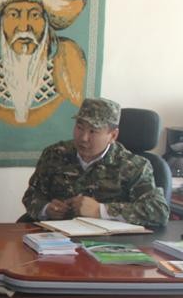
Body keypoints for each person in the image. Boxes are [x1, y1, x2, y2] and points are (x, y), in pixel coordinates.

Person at [21, 97, 170, 227]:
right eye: (80, 127)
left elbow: (159, 211)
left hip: (109, 243)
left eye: (93, 131)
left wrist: (100, 211)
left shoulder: (134, 166)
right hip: (56, 240)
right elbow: (32, 196)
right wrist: (47, 209)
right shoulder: (55, 154)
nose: (83, 138)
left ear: (113, 135)